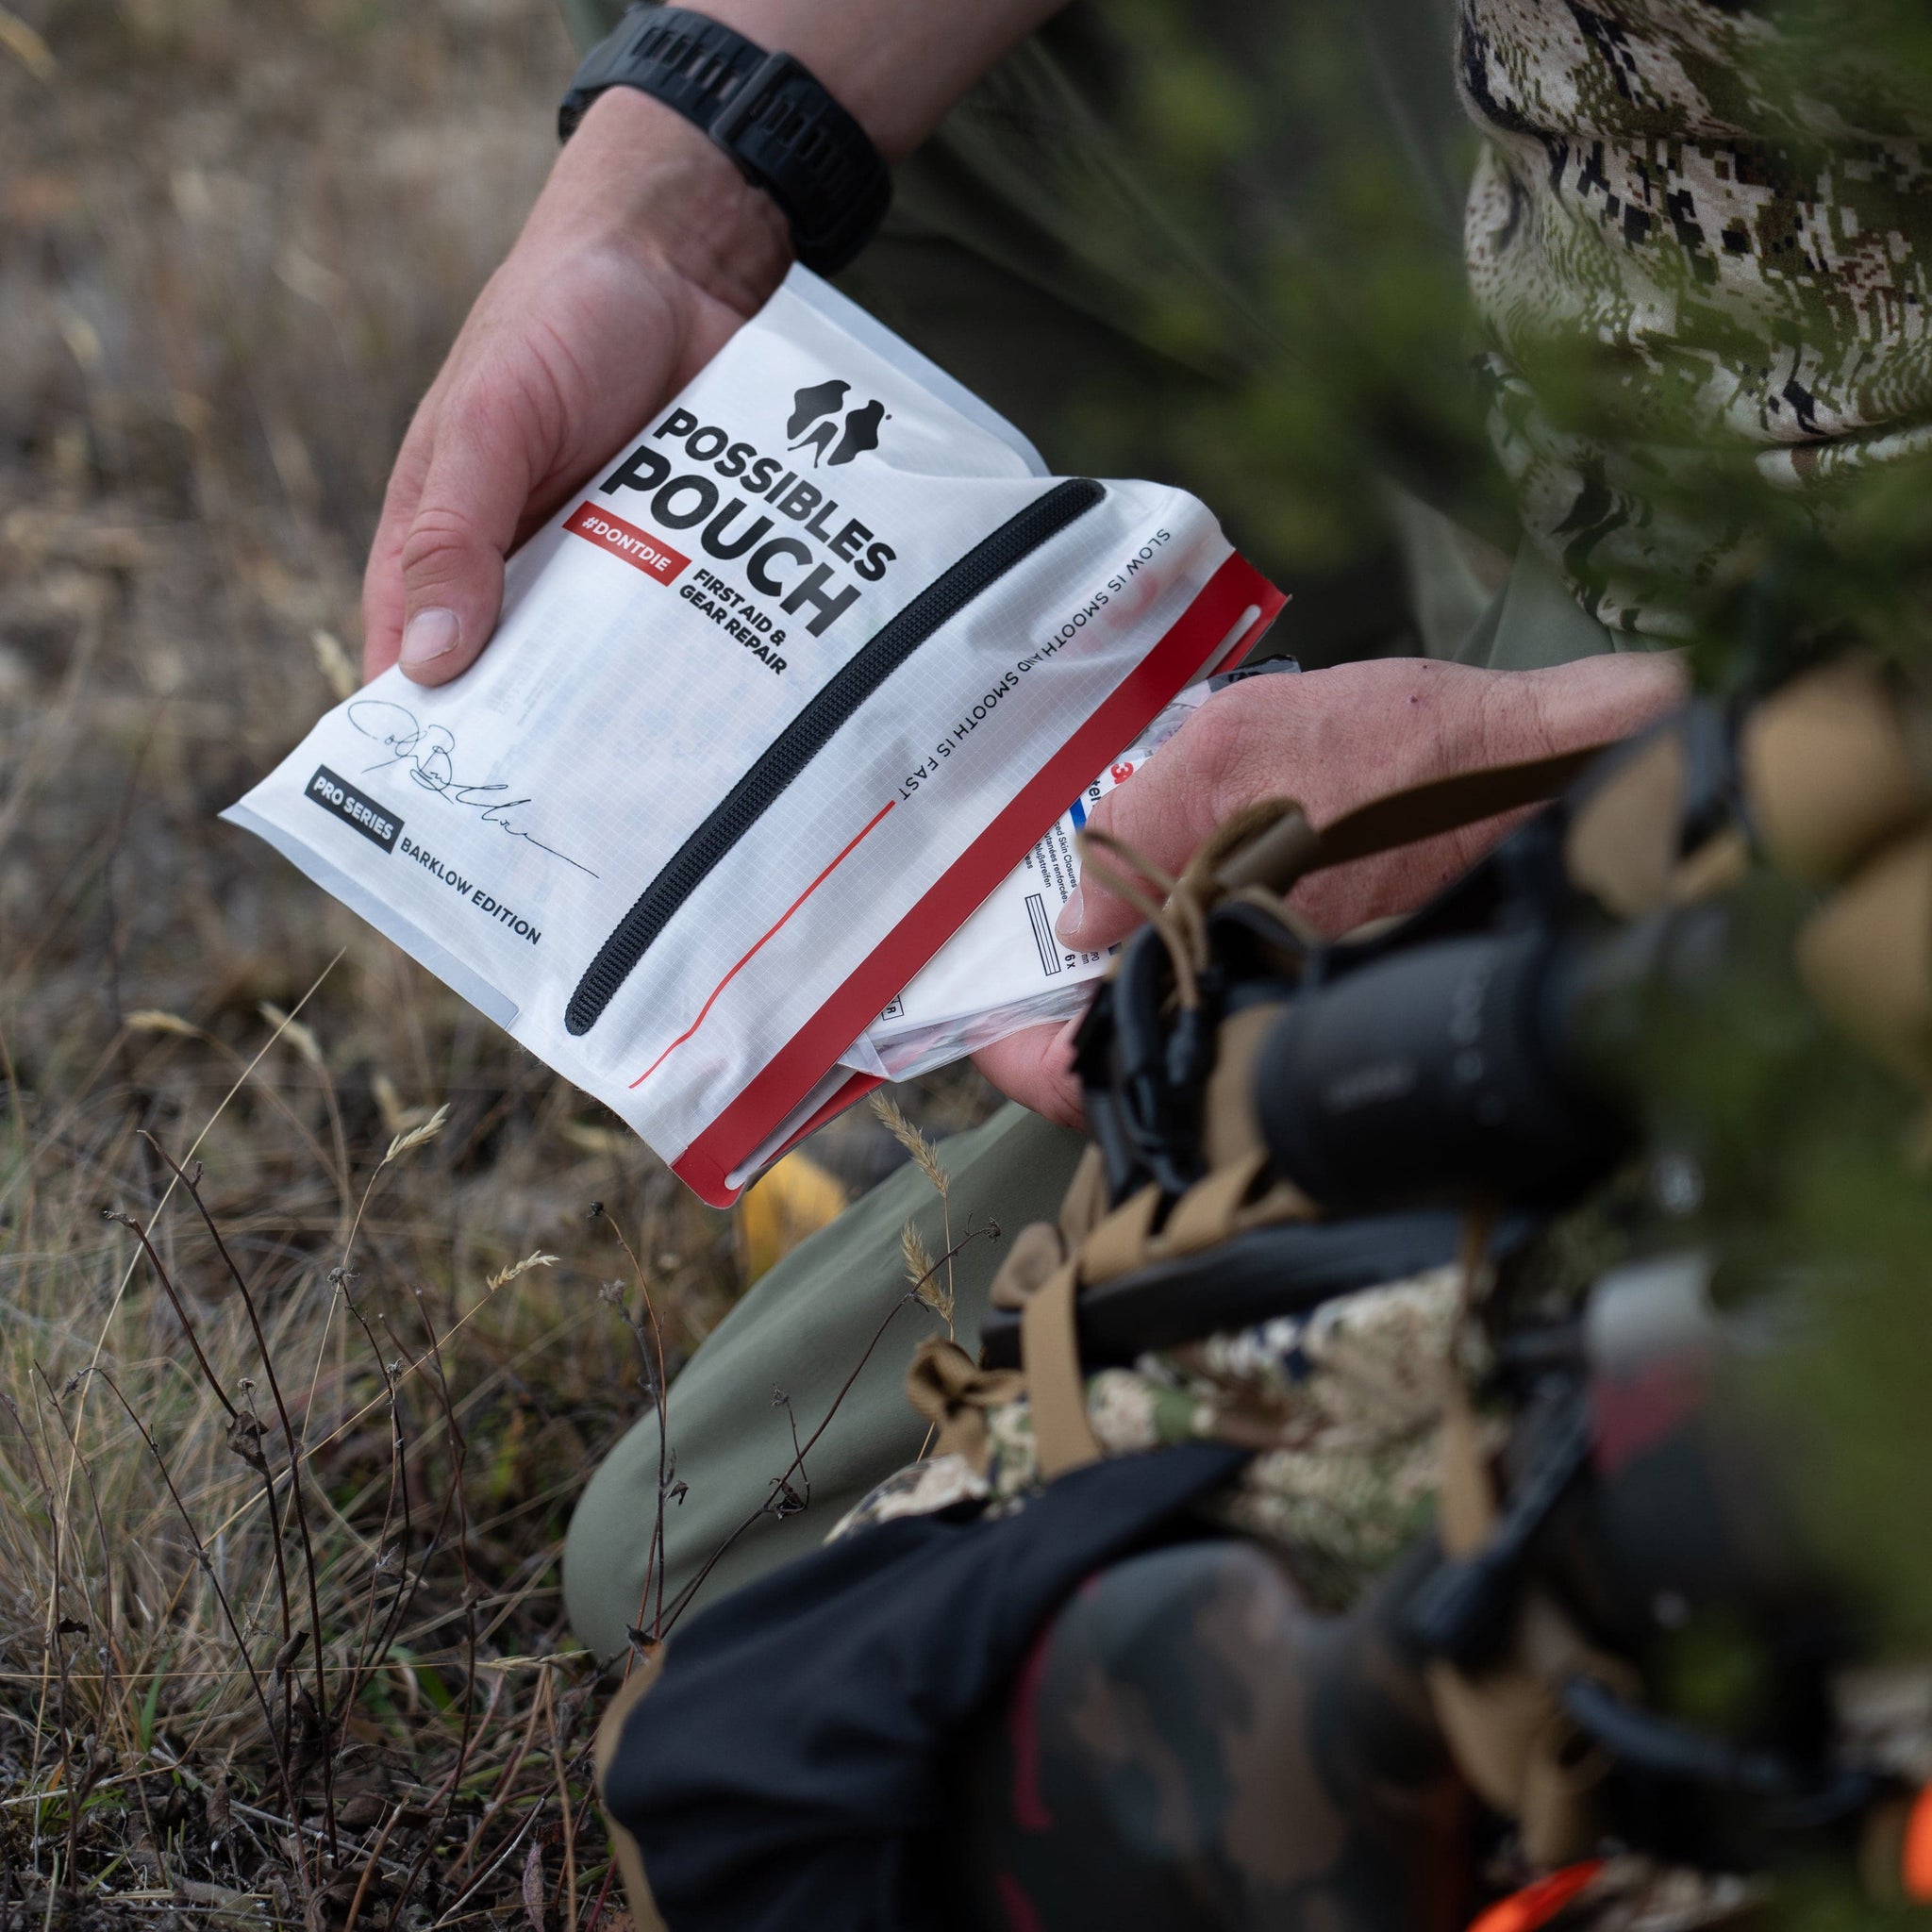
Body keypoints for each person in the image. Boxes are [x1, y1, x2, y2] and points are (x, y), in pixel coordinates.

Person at [359, 0, 1932, 1656]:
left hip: (1819, 721)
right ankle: (1248, 751)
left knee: (725, 1579)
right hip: (1626, 330)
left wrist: (1576, 758)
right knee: (774, 77)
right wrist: (674, 188)